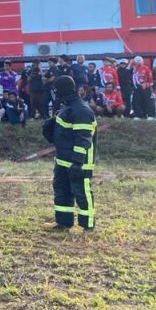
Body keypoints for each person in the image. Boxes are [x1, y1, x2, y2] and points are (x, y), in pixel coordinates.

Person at [42, 76, 96, 232]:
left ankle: (87, 226)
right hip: (63, 160)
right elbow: (63, 136)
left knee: (82, 192)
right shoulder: (66, 108)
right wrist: (49, 130)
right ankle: (63, 222)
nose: (54, 93)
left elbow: (83, 139)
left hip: (79, 162)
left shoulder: (81, 110)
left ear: (62, 90)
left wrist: (78, 163)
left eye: (56, 90)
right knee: (62, 190)